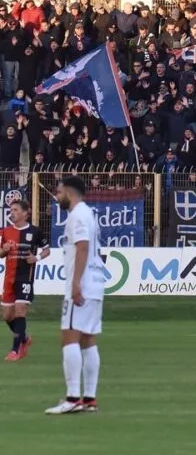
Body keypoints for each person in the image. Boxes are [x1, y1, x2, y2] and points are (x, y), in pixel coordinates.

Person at [45, 176, 105, 415]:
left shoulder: (77, 215)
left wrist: (76, 283)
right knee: (88, 339)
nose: (57, 196)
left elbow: (82, 247)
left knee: (68, 337)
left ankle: (72, 398)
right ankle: (89, 398)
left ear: (69, 192)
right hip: (96, 283)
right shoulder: (88, 214)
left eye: (59, 192)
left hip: (84, 283)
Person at [1, 199, 49, 361]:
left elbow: (47, 250)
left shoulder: (35, 231)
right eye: (11, 210)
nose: (11, 213)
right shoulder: (5, 232)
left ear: (25, 213)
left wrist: (36, 258)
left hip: (25, 278)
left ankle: (15, 350)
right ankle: (24, 339)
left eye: (15, 210)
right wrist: (3, 250)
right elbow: (0, 253)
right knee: (7, 316)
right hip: (9, 278)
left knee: (20, 310)